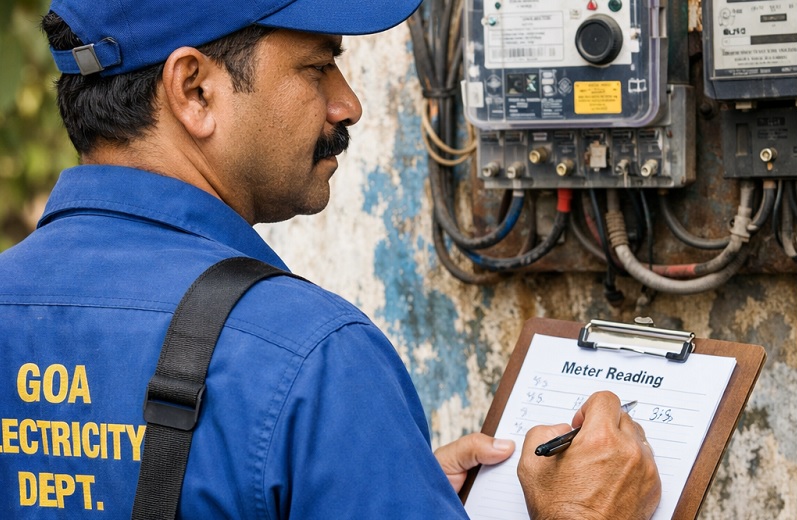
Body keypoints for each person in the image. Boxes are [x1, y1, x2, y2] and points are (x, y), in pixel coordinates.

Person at [0, 0, 661, 518]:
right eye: (318, 68)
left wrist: (374, 481)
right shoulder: (310, 360)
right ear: (194, 90)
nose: (349, 104)